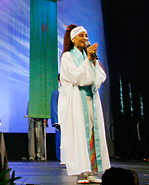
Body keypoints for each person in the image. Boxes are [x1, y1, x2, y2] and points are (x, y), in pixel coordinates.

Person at [58, 24, 110, 184]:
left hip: (91, 99)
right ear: (73, 39)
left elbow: (100, 76)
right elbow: (75, 77)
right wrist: (87, 60)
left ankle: (91, 171)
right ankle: (81, 171)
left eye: (86, 35)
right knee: (79, 134)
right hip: (76, 102)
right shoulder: (67, 56)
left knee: (93, 133)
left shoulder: (90, 56)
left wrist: (92, 60)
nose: (85, 38)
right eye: (81, 35)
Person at [50, 74, 61, 161]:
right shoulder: (57, 92)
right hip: (61, 120)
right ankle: (61, 157)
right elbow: (54, 107)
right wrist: (56, 120)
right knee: (60, 139)